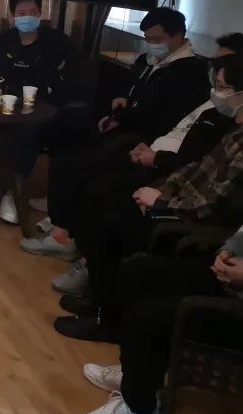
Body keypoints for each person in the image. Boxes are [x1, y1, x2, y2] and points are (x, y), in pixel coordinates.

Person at [52, 53, 243, 343]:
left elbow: (213, 206)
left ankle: (108, 319)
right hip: (175, 201)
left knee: (108, 226)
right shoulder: (235, 132)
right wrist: (162, 192)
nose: (215, 93)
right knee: (99, 208)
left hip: (191, 223)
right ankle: (100, 301)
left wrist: (162, 203)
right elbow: (195, 168)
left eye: (221, 87)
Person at [35, 33, 240, 274]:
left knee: (101, 188)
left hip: (168, 170)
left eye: (224, 67)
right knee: (72, 160)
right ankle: (65, 231)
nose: (216, 71)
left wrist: (158, 170)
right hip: (158, 153)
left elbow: (197, 167)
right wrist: (148, 146)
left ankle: (83, 254)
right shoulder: (212, 101)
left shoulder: (226, 115)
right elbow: (174, 132)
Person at [77, 242, 243, 414]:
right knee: (134, 272)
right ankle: (134, 374)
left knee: (147, 316)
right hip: (230, 280)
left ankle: (140, 410)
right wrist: (228, 250)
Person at [0, 0, 75, 224]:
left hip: (40, 109)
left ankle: (15, 191)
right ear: (13, 16)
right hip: (2, 104)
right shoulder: (1, 43)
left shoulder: (57, 43)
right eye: (22, 13)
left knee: (27, 131)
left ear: (40, 14)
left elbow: (69, 79)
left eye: (33, 13)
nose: (28, 18)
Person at [99, 7, 209, 145]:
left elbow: (161, 113)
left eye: (156, 40)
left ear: (177, 34)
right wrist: (122, 97)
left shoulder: (191, 70)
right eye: (147, 39)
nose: (151, 44)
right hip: (128, 120)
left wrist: (121, 118)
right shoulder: (146, 59)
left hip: (153, 136)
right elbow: (130, 83)